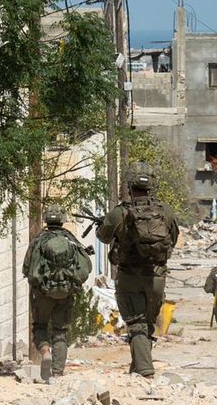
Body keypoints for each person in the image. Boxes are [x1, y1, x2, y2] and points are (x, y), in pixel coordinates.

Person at [96, 162, 179, 378]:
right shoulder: (165, 212)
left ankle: (144, 370)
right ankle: (138, 365)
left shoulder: (119, 213)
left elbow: (103, 237)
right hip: (156, 278)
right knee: (147, 324)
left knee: (136, 324)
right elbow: (174, 239)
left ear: (129, 184)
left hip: (129, 278)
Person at [23, 204, 92, 382]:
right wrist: (72, 284)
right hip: (66, 294)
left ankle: (45, 351)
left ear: (46, 218)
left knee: (39, 326)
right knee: (60, 331)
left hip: (43, 294)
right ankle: (58, 372)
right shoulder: (71, 240)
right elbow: (85, 268)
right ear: (63, 220)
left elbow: (27, 268)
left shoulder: (39, 240)